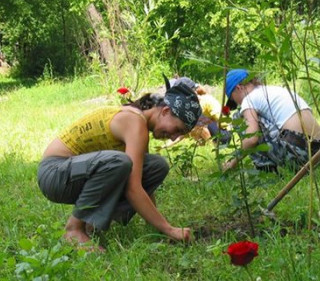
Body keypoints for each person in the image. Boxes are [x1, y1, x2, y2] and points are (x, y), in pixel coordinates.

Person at [37, 83, 202, 250]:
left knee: (155, 166)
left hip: (71, 172)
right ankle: (73, 230)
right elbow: (133, 189)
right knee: (119, 162)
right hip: (54, 172)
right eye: (177, 130)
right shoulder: (134, 123)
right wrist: (169, 230)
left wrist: (158, 227)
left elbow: (141, 182)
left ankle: (90, 225)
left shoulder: (139, 123)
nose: (174, 138)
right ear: (165, 111)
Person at [221, 68, 320, 173]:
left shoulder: (249, 100)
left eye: (233, 99)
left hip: (301, 155)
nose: (238, 104)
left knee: (238, 118)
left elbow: (251, 139)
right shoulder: (272, 90)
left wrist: (233, 163)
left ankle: (265, 170)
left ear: (239, 88)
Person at [165, 76, 231, 146]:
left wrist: (208, 121)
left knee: (196, 124)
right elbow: (184, 132)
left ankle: (212, 146)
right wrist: (166, 146)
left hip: (224, 134)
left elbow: (223, 121)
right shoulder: (193, 105)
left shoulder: (206, 100)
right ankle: (203, 145)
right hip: (215, 131)